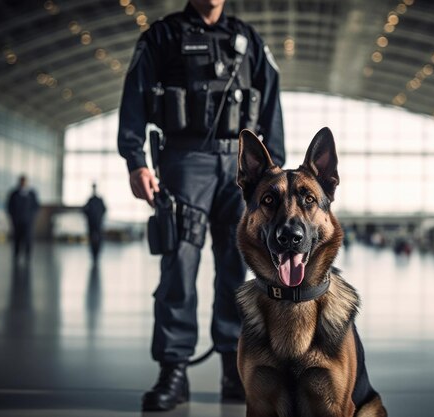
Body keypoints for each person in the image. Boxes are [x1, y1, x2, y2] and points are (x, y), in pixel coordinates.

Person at [117, 0, 284, 411]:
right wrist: (136, 160)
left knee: (236, 269)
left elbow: (271, 103)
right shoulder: (163, 35)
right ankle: (173, 371)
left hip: (243, 168)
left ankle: (234, 369)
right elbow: (135, 95)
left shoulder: (249, 41)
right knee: (179, 264)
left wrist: (274, 170)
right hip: (184, 161)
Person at [6, 175, 40, 262]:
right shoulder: (14, 193)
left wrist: (32, 217)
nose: (23, 183)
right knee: (17, 238)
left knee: (28, 238)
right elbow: (9, 206)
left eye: (25, 181)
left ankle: (28, 256)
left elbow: (36, 206)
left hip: (28, 221)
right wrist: (13, 217)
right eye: (22, 181)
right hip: (17, 221)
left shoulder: (32, 193)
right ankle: (16, 255)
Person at [82, 183, 107, 261]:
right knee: (94, 239)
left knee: (97, 238)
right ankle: (94, 254)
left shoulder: (97, 200)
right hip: (93, 223)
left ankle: (96, 254)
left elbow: (104, 210)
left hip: (97, 223)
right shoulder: (91, 200)